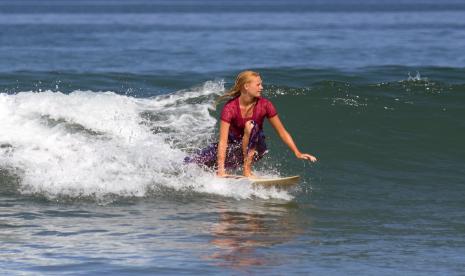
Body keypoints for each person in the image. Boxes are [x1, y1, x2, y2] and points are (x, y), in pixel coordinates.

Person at [185, 70, 317, 177]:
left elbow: (282, 131)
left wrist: (297, 152)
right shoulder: (230, 108)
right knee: (192, 163)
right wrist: (220, 169)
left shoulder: (265, 105)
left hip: (255, 147)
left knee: (251, 126)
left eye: (261, 84)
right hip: (233, 148)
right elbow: (223, 141)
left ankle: (247, 171)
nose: (262, 87)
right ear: (246, 86)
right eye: (258, 84)